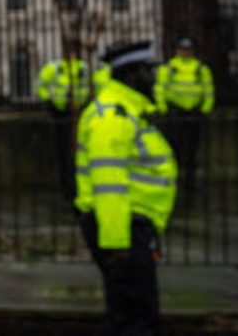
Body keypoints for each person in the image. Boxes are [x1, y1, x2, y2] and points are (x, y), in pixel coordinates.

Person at [75, 41, 177, 335]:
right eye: (148, 72)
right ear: (131, 76)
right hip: (123, 229)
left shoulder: (127, 111)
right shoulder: (113, 117)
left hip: (131, 226)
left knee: (129, 314)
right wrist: (117, 244)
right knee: (136, 319)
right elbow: (110, 186)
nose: (155, 78)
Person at [154, 36, 214, 200]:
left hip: (194, 112)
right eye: (183, 49)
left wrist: (205, 109)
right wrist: (163, 108)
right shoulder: (169, 67)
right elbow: (160, 88)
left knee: (192, 153)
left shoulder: (200, 69)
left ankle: (189, 186)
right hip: (175, 112)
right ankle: (175, 183)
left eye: (188, 49)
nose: (185, 52)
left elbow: (208, 91)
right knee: (174, 151)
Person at [36, 43, 90, 203]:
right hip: (60, 114)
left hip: (78, 114)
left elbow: (88, 87)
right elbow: (40, 85)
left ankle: (76, 188)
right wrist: (50, 102)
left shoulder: (83, 68)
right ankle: (69, 189)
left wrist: (82, 102)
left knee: (77, 152)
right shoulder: (54, 67)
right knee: (65, 153)